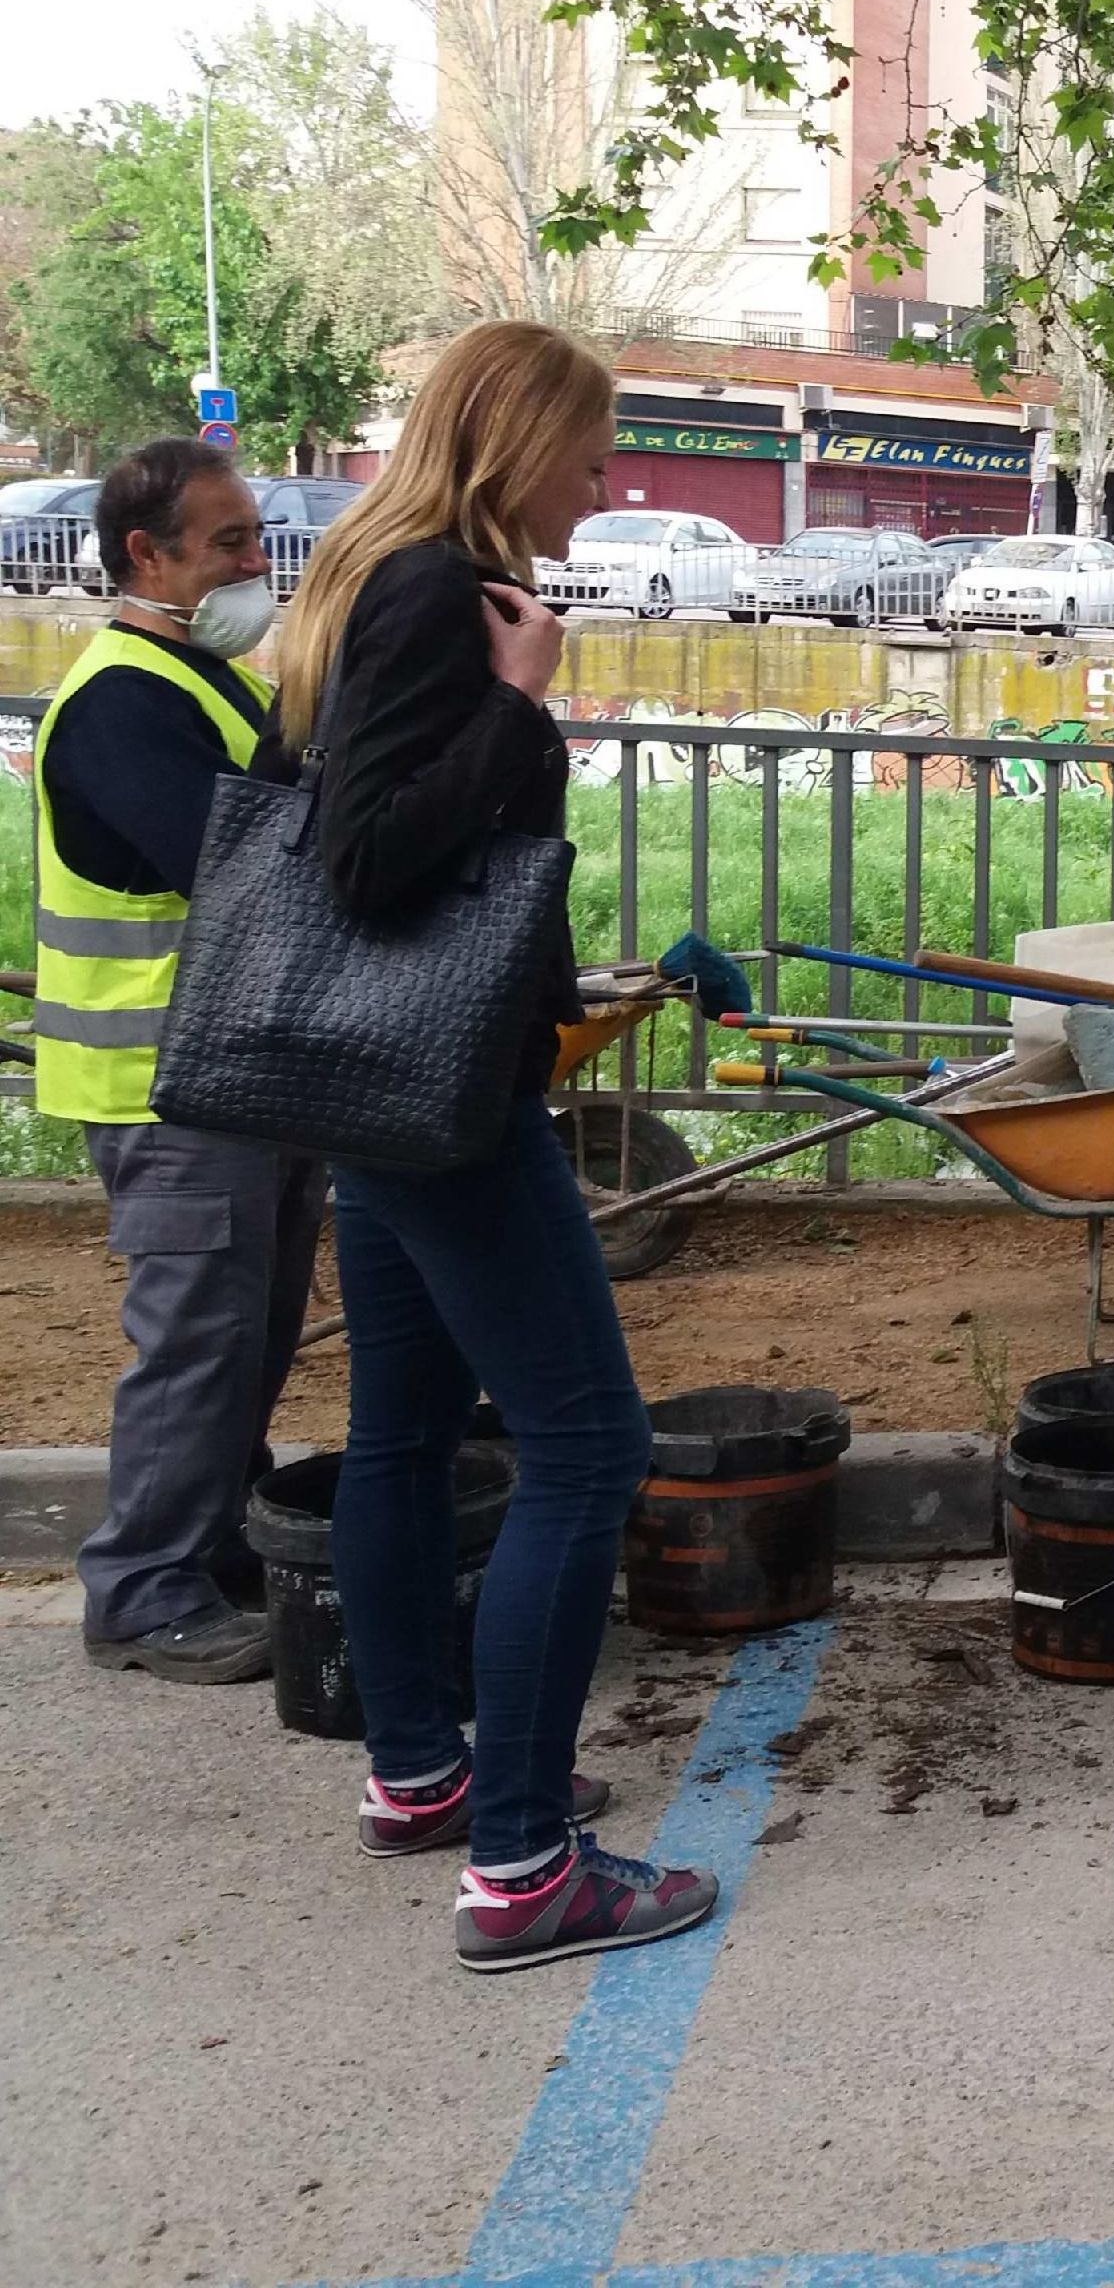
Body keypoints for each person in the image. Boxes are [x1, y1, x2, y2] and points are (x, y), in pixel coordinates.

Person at [274, 318, 711, 1968]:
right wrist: (524, 719)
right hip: (443, 1097)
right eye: (590, 454)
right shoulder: (429, 599)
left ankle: (420, 1771)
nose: (604, 487)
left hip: (364, 1090)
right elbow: (374, 860)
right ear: (514, 439)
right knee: (588, 1446)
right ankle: (529, 1864)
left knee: (399, 1433)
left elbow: (310, 822)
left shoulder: (350, 583)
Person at [33, 440, 326, 1682]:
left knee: (247, 1339)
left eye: (257, 537)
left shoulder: (198, 683)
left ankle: (214, 1549)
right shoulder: (121, 703)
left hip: (236, 1075)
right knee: (198, 1343)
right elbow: (242, 869)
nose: (257, 563)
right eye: (227, 543)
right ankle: (144, 1589)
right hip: (167, 1084)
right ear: (145, 555)